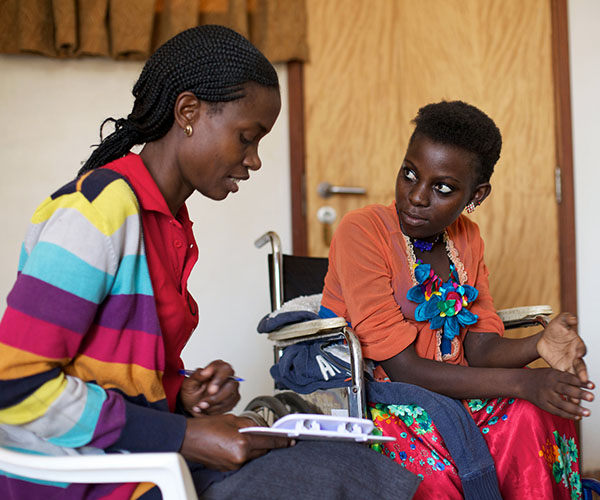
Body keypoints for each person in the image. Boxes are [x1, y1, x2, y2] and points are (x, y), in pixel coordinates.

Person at [0, 25, 421, 499]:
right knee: (327, 481)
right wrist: (182, 436)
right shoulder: (95, 212)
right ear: (188, 113)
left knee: (346, 463)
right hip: (75, 478)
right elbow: (16, 384)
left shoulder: (167, 223)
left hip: (134, 459)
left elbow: (110, 371)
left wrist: (181, 392)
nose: (255, 160)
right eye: (247, 137)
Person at [319, 100, 595, 499]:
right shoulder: (361, 232)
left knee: (535, 414)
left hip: (445, 388)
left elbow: (479, 347)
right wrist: (524, 380)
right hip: (376, 391)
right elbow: (404, 369)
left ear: (476, 195)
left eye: (442, 188)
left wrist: (539, 344)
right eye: (409, 174)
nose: (416, 196)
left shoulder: (467, 239)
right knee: (434, 463)